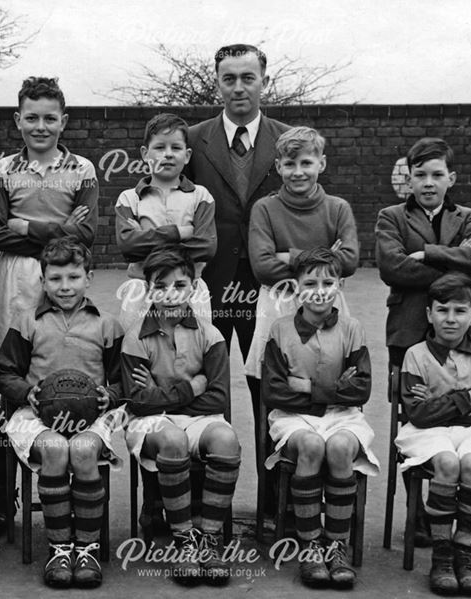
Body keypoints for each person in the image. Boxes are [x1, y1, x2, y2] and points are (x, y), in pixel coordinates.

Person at [0, 76, 99, 529]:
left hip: (64, 276)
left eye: (50, 118)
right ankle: (1, 496)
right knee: (12, 376)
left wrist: (26, 227)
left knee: (62, 365)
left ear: (63, 121)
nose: (40, 125)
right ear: (18, 120)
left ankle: (72, 471)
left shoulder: (83, 168)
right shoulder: (4, 169)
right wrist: (59, 226)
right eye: (31, 117)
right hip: (17, 280)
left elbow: (87, 236)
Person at [184, 44, 291, 495]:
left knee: (269, 389)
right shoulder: (191, 140)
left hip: (267, 288)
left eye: (248, 77)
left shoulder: (288, 139)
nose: (239, 87)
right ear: (217, 83)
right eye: (229, 78)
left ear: (264, 81)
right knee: (202, 390)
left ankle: (273, 506)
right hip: (207, 283)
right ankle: (202, 505)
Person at [375, 137, 471, 545]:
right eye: (419, 175)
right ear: (407, 179)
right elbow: (392, 268)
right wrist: (451, 265)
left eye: (437, 175)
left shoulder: (468, 216)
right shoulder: (391, 216)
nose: (428, 182)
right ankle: (417, 512)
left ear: (451, 178)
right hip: (407, 333)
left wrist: (424, 253)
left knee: (454, 412)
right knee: (416, 418)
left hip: (457, 339)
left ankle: (447, 499)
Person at [0, 237, 123, 589]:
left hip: (91, 415)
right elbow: (3, 373)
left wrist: (108, 396)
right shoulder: (26, 321)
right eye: (56, 279)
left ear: (89, 277)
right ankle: (60, 548)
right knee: (54, 449)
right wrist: (26, 392)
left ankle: (88, 548)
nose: (65, 287)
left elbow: (124, 382)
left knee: (81, 451)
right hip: (35, 413)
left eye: (74, 277)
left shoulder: (107, 324)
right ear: (43, 281)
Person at [120, 246, 239, 587]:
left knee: (226, 439)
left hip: (191, 415)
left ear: (194, 287)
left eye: (180, 286)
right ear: (148, 289)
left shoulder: (209, 334)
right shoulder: (135, 337)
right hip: (151, 424)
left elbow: (218, 396)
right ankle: (183, 540)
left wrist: (163, 392)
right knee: (172, 439)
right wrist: (192, 387)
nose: (171, 295)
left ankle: (209, 537)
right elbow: (138, 403)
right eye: (161, 286)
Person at [261, 247, 379, 589]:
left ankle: (336, 544)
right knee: (311, 446)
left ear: (340, 285)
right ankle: (311, 546)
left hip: (342, 416)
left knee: (341, 447)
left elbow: (360, 390)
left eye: (328, 282)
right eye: (309, 282)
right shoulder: (280, 329)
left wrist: (307, 386)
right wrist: (330, 387)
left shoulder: (352, 328)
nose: (319, 290)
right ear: (296, 287)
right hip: (294, 418)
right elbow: (274, 392)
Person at [395, 273, 471, 595]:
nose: (451, 319)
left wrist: (440, 403)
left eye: (460, 311)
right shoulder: (415, 355)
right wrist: (467, 396)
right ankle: (441, 556)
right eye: (442, 310)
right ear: (429, 314)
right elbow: (420, 414)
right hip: (426, 432)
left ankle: (463, 552)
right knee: (446, 462)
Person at [246, 126, 358, 379]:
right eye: (289, 164)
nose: (298, 172)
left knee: (331, 371)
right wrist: (326, 259)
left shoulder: (338, 208)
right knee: (276, 375)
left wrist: (290, 256)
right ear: (278, 166)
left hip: (326, 300)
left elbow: (349, 261)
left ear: (322, 163)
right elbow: (263, 267)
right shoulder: (265, 208)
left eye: (306, 163)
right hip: (280, 302)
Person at [114, 112, 216, 331]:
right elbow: (129, 247)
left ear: (187, 155)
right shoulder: (129, 198)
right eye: (160, 147)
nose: (168, 154)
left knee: (197, 346)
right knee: (132, 343)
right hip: (141, 286)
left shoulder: (201, 196)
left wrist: (145, 237)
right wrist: (180, 233)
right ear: (145, 153)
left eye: (176, 148)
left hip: (189, 285)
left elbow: (206, 247)